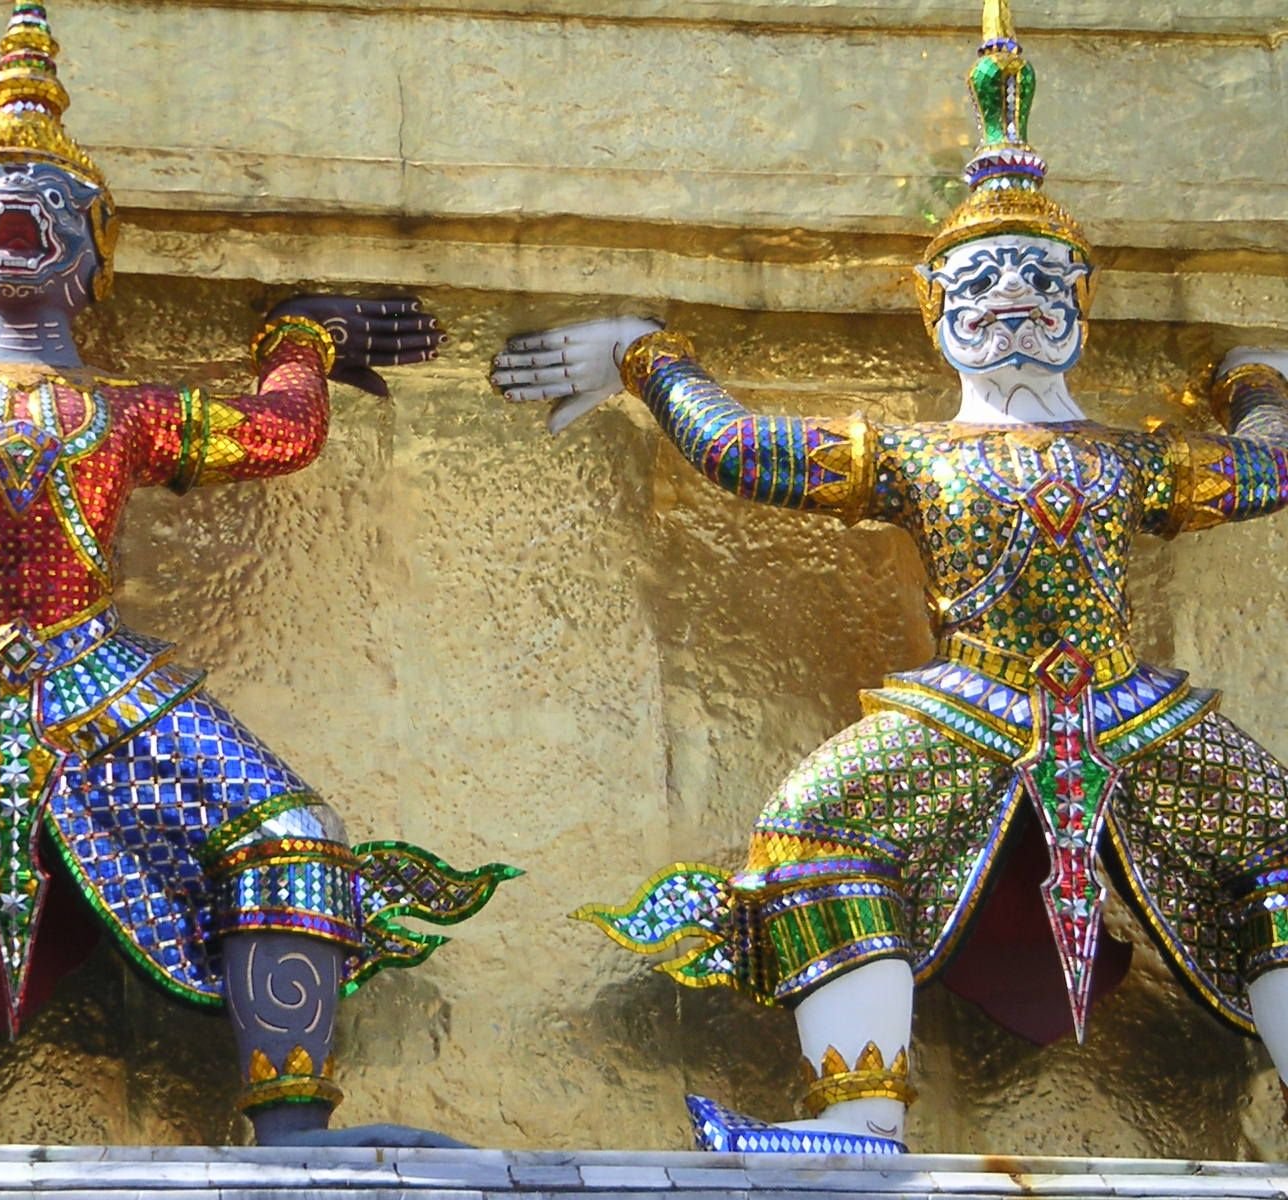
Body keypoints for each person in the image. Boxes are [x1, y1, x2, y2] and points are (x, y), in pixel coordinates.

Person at [0, 0, 515, 1145]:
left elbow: (281, 432)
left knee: (292, 838)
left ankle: (294, 1128)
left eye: (49, 205)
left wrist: (302, 344)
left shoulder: (127, 411)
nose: (9, 214)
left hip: (94, 673)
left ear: (92, 250)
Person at [493, 0, 1288, 1154]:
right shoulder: (913, 455)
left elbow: (1268, 472)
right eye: (979, 283)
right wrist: (645, 354)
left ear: (1078, 303)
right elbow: (738, 447)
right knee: (810, 830)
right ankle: (859, 1115)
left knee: (1278, 845)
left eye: (1037, 279)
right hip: (970, 699)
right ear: (939, 315)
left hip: (1124, 700)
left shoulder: (1131, 459)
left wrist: (1256, 380)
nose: (1009, 299)